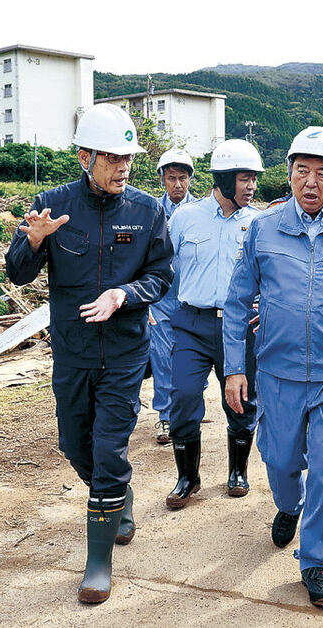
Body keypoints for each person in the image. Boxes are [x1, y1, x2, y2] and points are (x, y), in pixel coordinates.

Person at [5, 103, 173, 604]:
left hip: (124, 354)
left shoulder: (147, 210)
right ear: (85, 156)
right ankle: (116, 496)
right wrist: (31, 243)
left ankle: (97, 563)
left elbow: (162, 276)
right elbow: (17, 274)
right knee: (75, 447)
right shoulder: (53, 206)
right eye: (112, 156)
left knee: (108, 451)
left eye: (129, 157)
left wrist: (125, 295)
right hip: (73, 354)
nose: (124, 166)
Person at [224, 126, 323, 608]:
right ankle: (287, 504)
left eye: (322, 173)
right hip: (277, 371)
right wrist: (236, 368)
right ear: (290, 173)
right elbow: (236, 303)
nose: (310, 182)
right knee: (280, 459)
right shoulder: (264, 229)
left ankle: (316, 560)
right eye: (301, 171)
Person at [165, 139, 263, 508]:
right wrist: (161, 310)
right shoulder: (184, 218)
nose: (251, 186)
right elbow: (163, 268)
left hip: (238, 327)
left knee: (240, 400)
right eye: (244, 178)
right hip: (191, 322)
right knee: (184, 396)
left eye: (254, 178)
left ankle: (238, 471)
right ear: (222, 179)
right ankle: (188, 477)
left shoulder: (258, 223)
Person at [149, 149, 197, 445]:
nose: (177, 184)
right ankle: (166, 416)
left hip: (191, 297)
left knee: (191, 359)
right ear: (162, 180)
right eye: (171, 178)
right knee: (162, 357)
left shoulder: (203, 211)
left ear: (190, 179)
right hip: (161, 298)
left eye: (182, 178)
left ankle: (187, 407)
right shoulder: (150, 211)